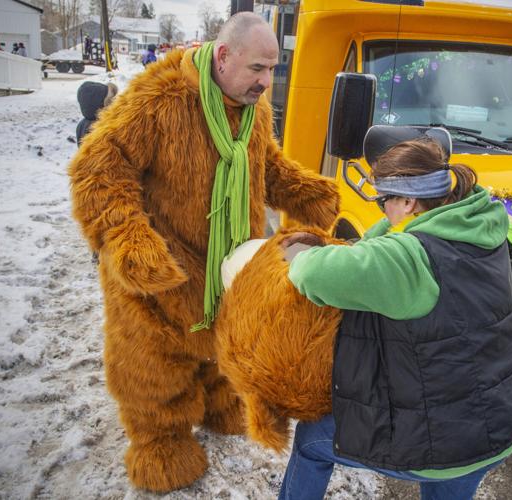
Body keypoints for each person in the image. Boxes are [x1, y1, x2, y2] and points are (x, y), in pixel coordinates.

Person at [67, 12, 339, 493]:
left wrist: (301, 190)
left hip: (227, 265)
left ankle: (217, 402)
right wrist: (126, 235)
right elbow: (99, 166)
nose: (265, 81)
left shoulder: (251, 109)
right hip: (161, 274)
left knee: (218, 346)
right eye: (257, 68)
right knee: (153, 368)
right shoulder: (160, 99)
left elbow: (264, 165)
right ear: (223, 55)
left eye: (271, 69)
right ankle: (160, 439)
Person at [278, 136, 512, 500]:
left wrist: (297, 255)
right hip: (494, 425)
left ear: (409, 201)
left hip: (446, 440)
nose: (383, 211)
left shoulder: (413, 260)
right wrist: (387, 229)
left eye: (385, 201)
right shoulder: (479, 228)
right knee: (448, 477)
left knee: (310, 439)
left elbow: (311, 275)